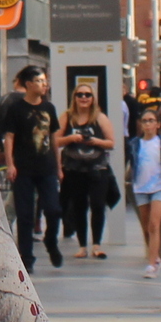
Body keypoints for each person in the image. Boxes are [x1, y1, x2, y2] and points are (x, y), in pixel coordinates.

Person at [2, 63, 63, 271]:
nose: (43, 85)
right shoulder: (16, 108)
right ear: (28, 84)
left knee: (53, 210)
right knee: (25, 215)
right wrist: (10, 164)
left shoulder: (49, 108)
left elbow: (54, 138)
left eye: (44, 81)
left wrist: (59, 167)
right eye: (39, 81)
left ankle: (51, 241)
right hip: (23, 168)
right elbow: (9, 137)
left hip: (46, 168)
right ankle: (27, 258)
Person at [56, 85, 117, 260]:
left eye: (87, 95)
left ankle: (97, 244)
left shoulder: (100, 118)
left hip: (97, 169)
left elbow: (111, 143)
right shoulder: (66, 117)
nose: (84, 98)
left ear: (93, 98)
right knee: (79, 207)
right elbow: (56, 141)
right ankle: (82, 245)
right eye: (80, 95)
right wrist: (71, 138)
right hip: (74, 169)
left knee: (98, 205)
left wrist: (96, 141)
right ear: (74, 97)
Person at [126, 106, 161, 277]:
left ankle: (151, 264)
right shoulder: (135, 144)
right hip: (140, 187)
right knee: (146, 226)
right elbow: (132, 163)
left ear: (158, 124)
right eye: (144, 121)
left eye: (151, 121)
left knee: (154, 225)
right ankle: (154, 257)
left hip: (159, 186)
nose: (147, 124)